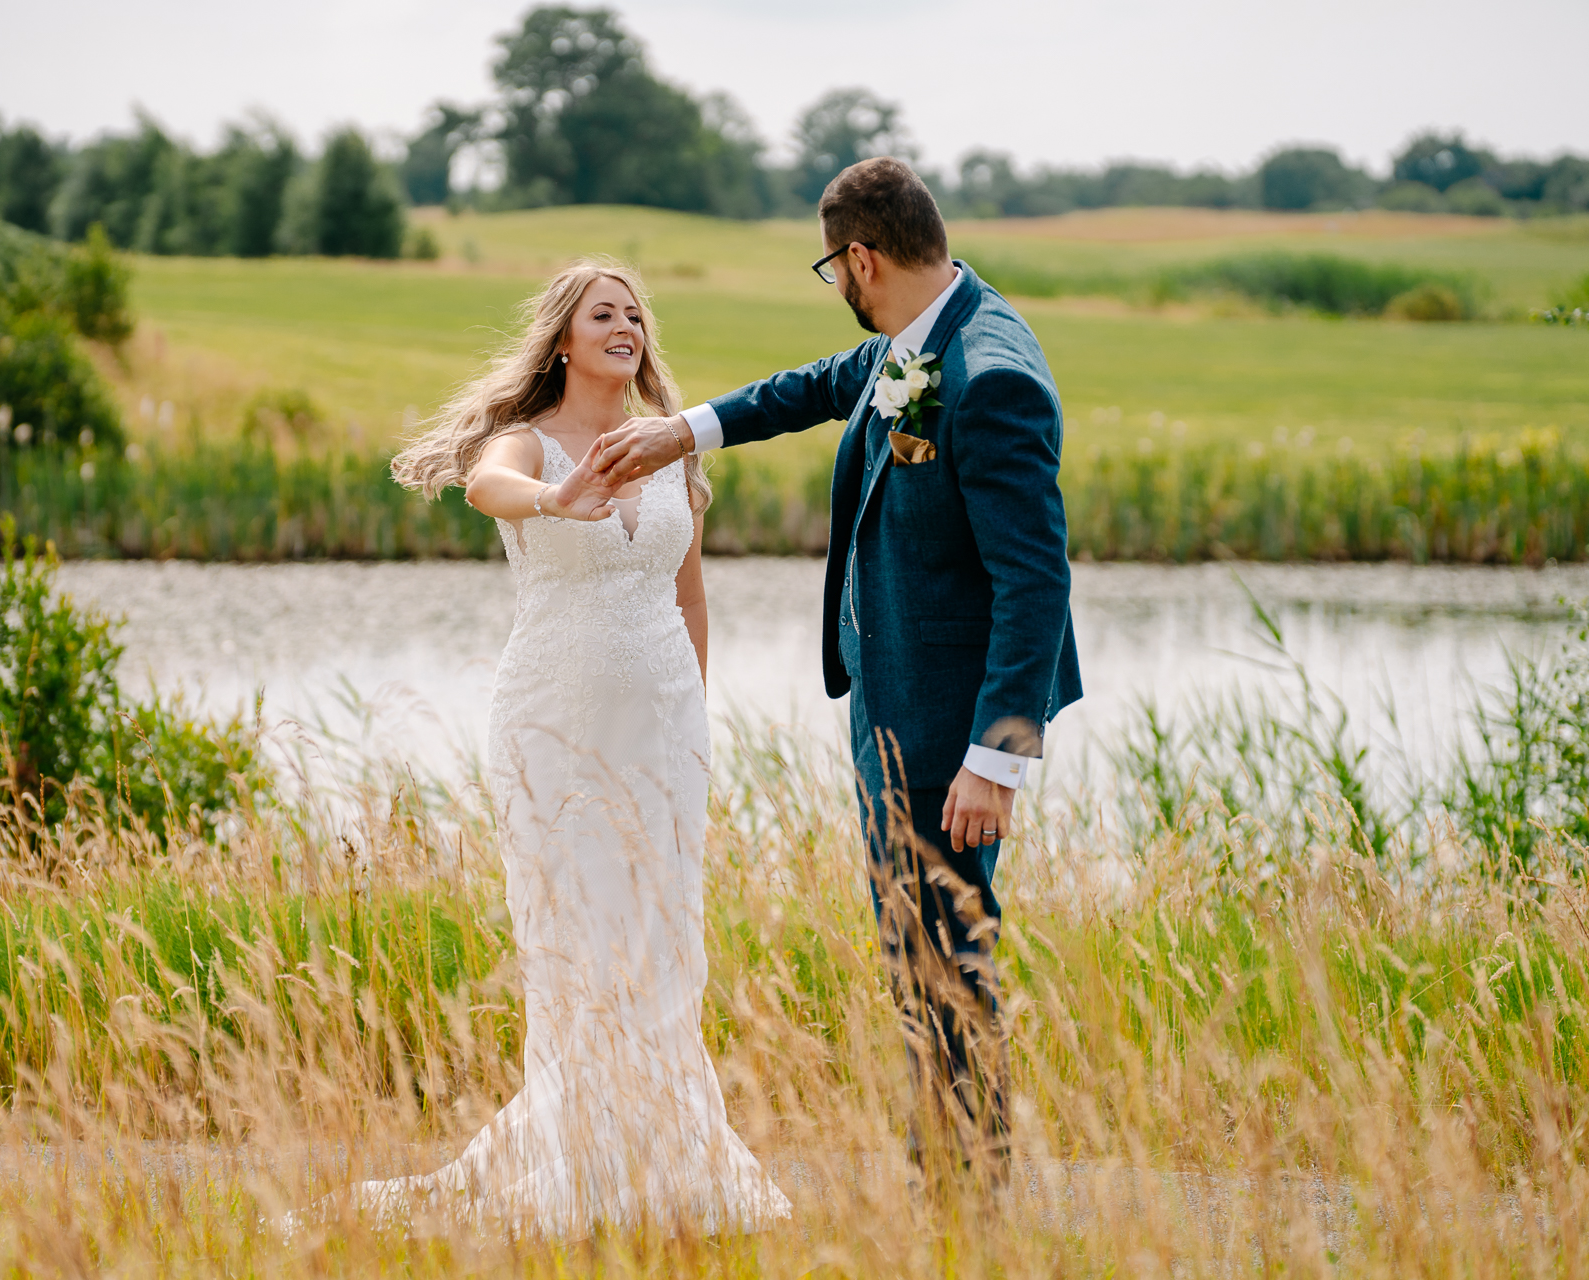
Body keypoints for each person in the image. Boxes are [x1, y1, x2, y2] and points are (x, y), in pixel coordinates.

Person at [592, 158, 1082, 1179]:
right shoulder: (919, 339)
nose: (839, 288)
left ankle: (968, 1179)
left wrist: (999, 757)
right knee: (917, 942)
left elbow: (1036, 582)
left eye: (834, 270)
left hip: (953, 731)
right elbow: (811, 387)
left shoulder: (988, 374)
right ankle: (940, 1159)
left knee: (948, 948)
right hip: (893, 701)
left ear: (860, 256)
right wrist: (680, 432)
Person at [379, 259, 791, 1235]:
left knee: (660, 940)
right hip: (554, 727)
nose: (627, 325)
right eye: (604, 312)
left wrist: (694, 710)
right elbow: (485, 486)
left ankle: (668, 1156)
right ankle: (580, 1160)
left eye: (636, 313)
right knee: (578, 940)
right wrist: (555, 502)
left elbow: (690, 594)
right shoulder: (525, 444)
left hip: (662, 728)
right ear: (563, 338)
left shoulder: (672, 450)